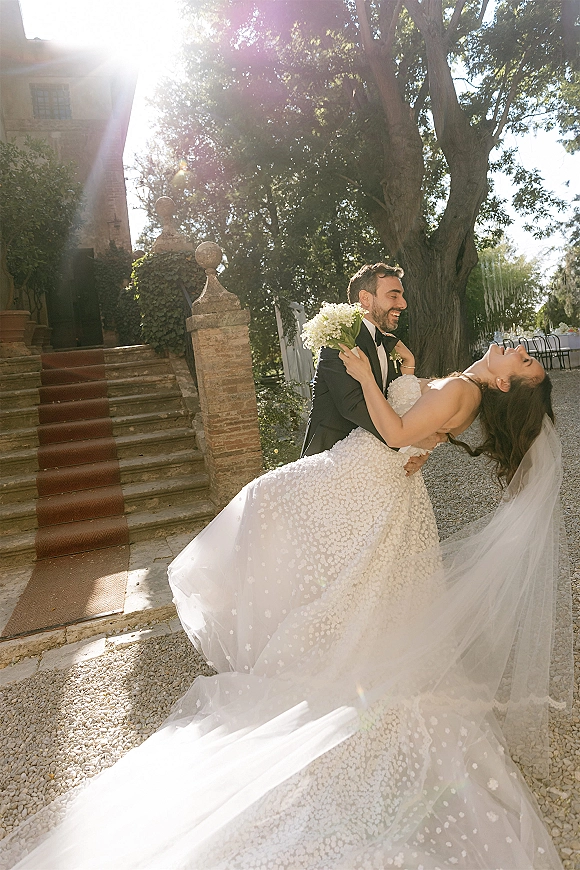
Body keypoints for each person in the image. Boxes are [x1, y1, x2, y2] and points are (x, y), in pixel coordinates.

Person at [3, 342, 571, 870]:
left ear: (505, 386)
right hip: (386, 490)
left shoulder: (462, 392)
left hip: (367, 480)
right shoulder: (463, 392)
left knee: (268, 508)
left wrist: (363, 376)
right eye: (523, 352)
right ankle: (331, 653)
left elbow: (397, 435)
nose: (520, 351)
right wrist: (405, 378)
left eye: (524, 363)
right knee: (361, 590)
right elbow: (425, 434)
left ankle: (270, 626)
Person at [301, 264, 425, 472]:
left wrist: (409, 363)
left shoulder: (391, 343)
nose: (403, 304)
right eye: (394, 296)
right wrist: (410, 446)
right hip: (331, 464)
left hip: (379, 462)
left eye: (401, 296)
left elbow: (398, 402)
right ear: (366, 299)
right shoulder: (339, 340)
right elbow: (352, 405)